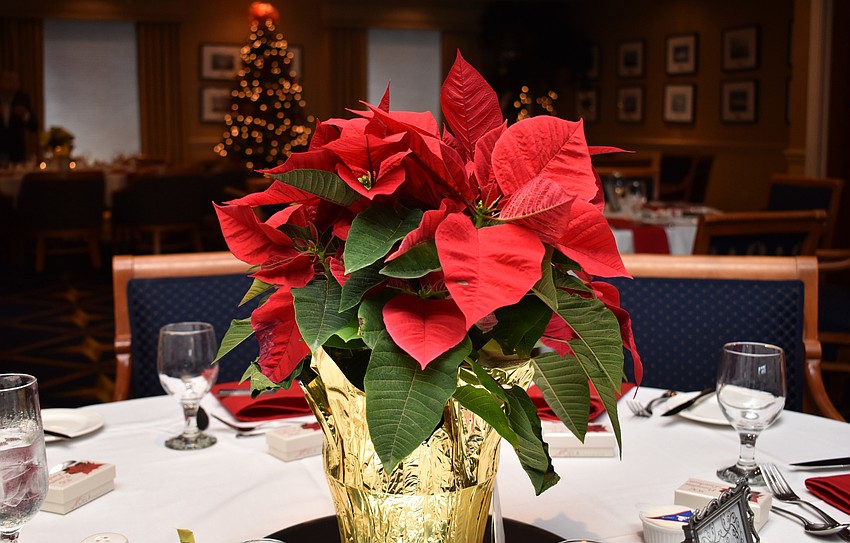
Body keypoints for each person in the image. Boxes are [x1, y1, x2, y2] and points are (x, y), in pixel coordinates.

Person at [0, 70, 37, 165]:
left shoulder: (22, 98)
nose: (10, 85)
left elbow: (34, 125)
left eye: (13, 81)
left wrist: (25, 114)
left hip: (16, 152)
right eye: (7, 80)